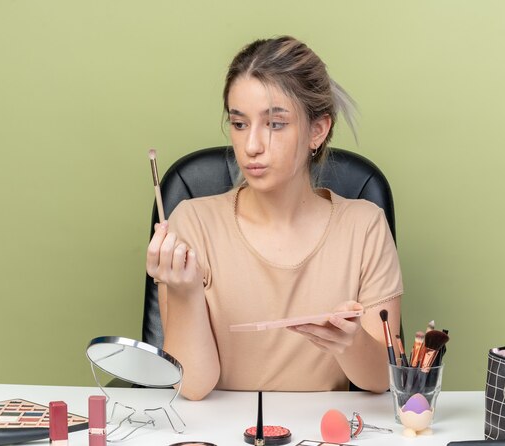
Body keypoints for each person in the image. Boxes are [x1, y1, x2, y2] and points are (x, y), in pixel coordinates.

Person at [146, 36, 403, 401]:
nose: (251, 146)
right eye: (238, 124)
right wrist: (185, 292)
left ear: (318, 130)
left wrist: (350, 342)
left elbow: (382, 379)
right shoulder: (192, 222)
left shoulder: (365, 226)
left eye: (275, 124)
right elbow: (192, 387)